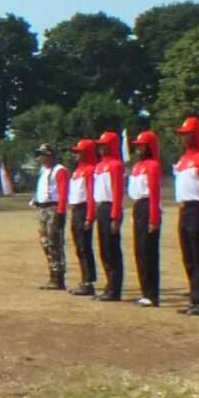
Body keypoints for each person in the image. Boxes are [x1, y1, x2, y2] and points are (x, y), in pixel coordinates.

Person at [172, 117, 199, 316]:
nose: (183, 138)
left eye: (187, 134)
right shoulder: (182, 160)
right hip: (184, 210)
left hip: (198, 209)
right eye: (182, 135)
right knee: (188, 256)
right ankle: (194, 297)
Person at [127, 130, 163, 307]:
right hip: (138, 206)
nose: (138, 149)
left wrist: (154, 218)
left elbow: (155, 193)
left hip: (148, 205)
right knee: (139, 251)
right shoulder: (137, 166)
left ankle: (152, 293)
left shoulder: (153, 165)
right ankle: (144, 291)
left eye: (141, 145)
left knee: (149, 252)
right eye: (137, 146)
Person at [29, 143, 70, 290]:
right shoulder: (43, 171)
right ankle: (52, 274)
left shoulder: (60, 170)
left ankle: (58, 277)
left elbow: (63, 192)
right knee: (45, 242)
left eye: (42, 155)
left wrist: (60, 211)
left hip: (53, 208)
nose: (40, 158)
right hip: (42, 208)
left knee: (55, 243)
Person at [92, 130, 127, 302]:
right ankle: (109, 285)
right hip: (101, 208)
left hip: (110, 207)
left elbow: (117, 192)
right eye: (100, 146)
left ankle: (115, 289)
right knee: (104, 249)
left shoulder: (116, 165)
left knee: (112, 250)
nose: (101, 149)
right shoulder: (99, 166)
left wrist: (115, 216)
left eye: (104, 146)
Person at [67, 139, 98, 297]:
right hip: (76, 209)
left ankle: (88, 281)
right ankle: (84, 278)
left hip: (84, 209)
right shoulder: (78, 170)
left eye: (79, 152)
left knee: (85, 247)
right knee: (79, 246)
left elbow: (91, 195)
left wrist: (90, 216)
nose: (76, 155)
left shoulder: (90, 170)